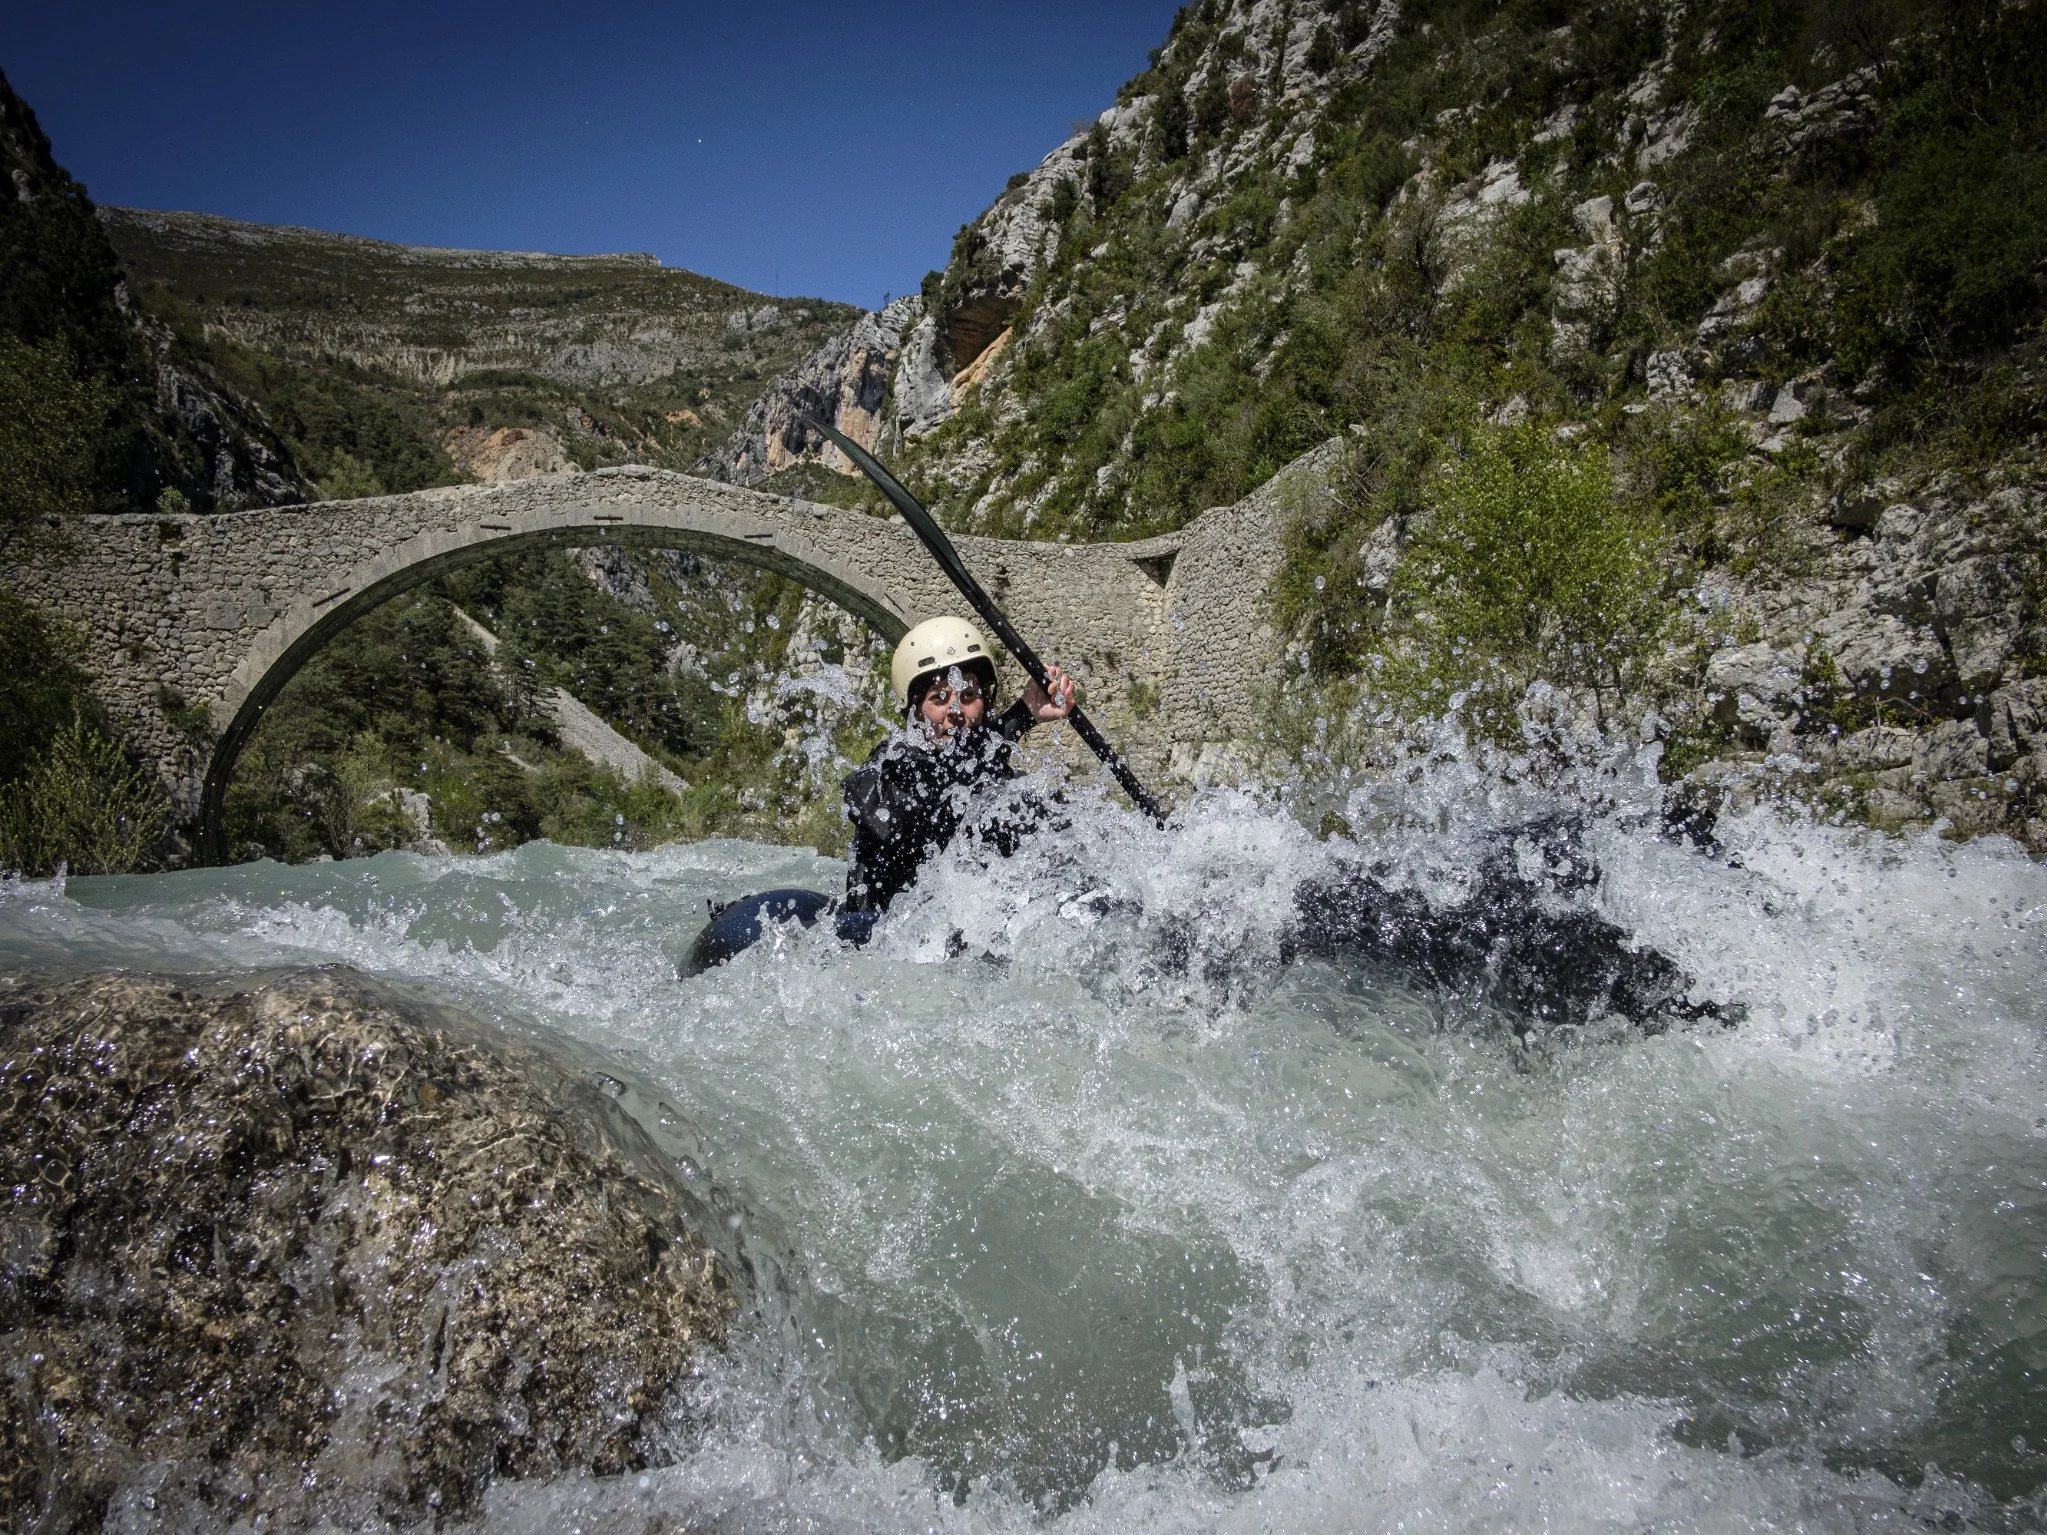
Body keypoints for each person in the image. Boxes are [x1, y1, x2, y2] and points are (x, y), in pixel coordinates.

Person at [841, 616, 1075, 915]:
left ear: (984, 704)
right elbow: (937, 791)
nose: (955, 710)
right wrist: (1022, 715)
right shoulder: (888, 769)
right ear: (915, 711)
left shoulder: (1003, 785)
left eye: (968, 696)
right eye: (939, 698)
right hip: (878, 927)